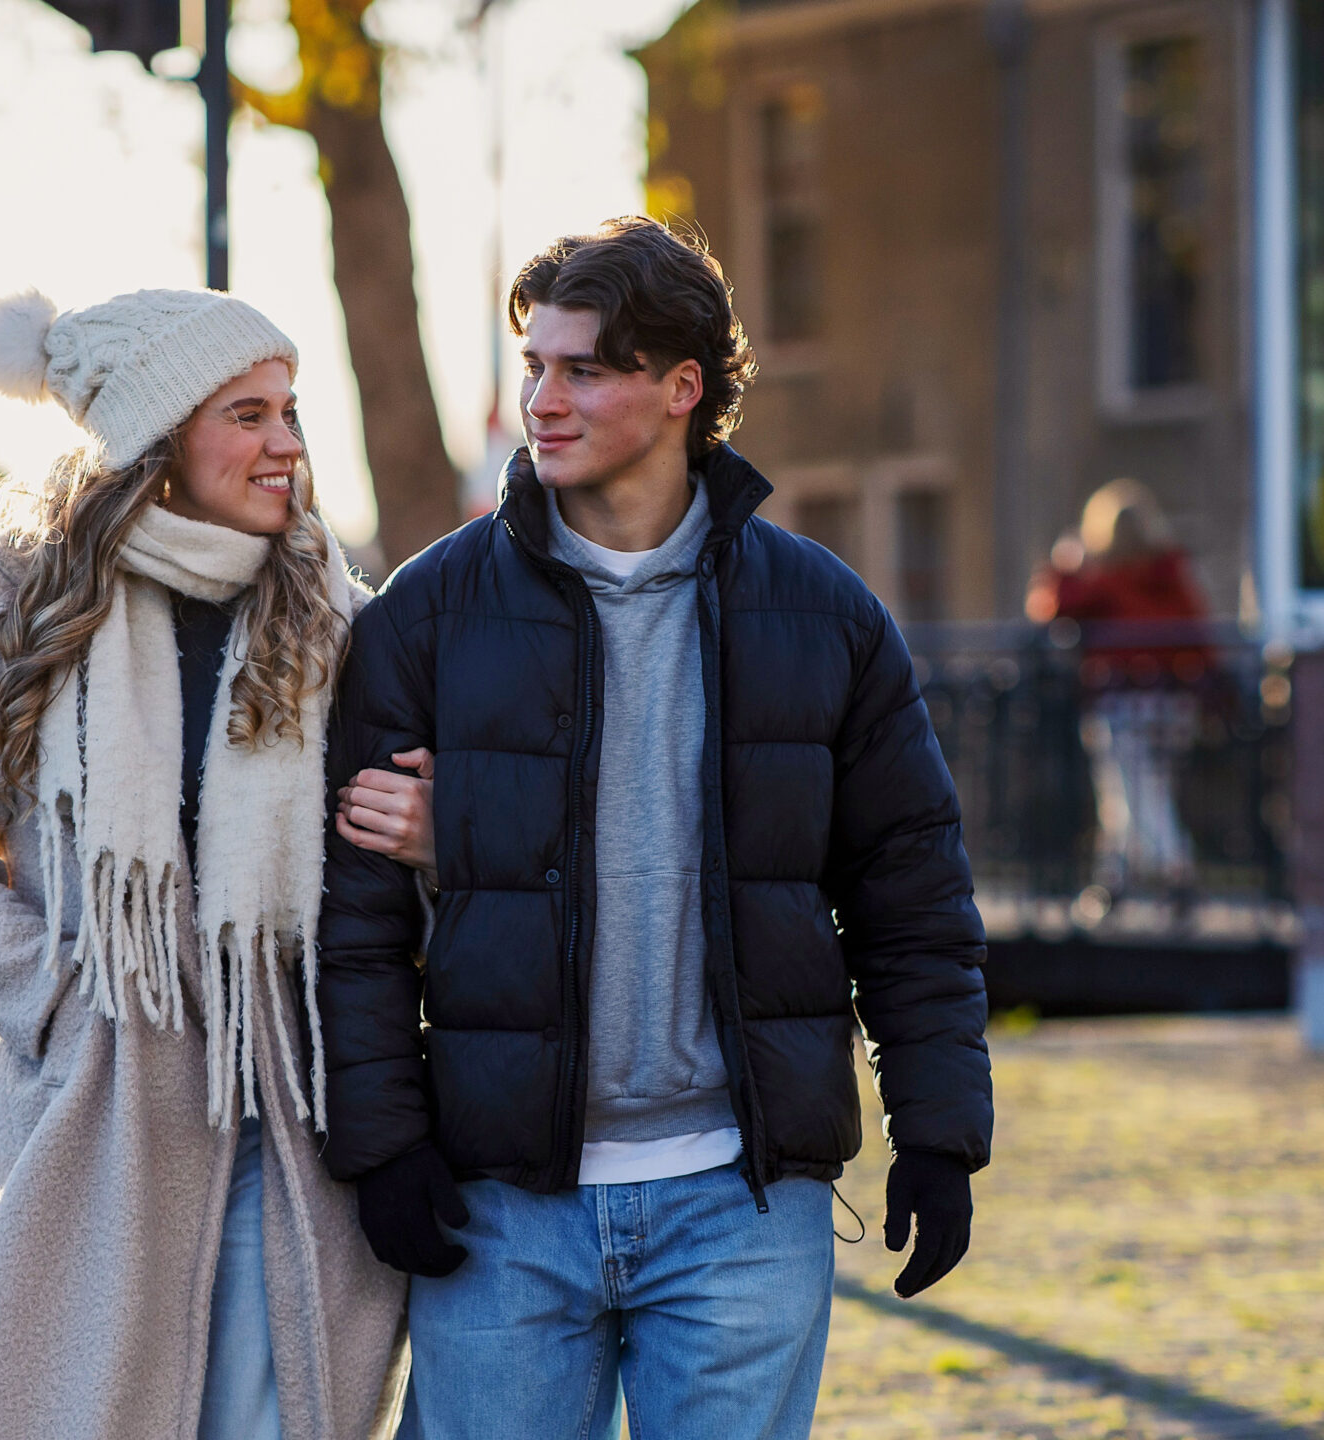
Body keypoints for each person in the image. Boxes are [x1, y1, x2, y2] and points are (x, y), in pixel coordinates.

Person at [315, 217, 994, 1439]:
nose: (543, 399)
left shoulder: (824, 615)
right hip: (498, 1210)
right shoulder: (425, 613)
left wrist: (937, 1135)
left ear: (682, 389)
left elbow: (912, 901)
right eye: (533, 366)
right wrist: (385, 1151)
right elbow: (352, 922)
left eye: (583, 369)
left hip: (741, 1206)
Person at [0, 286, 429, 1440]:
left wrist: (427, 836)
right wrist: (72, 1007)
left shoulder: (332, 608)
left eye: (290, 411)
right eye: (248, 414)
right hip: (98, 1114)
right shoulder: (7, 597)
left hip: (288, 1110)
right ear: (158, 431)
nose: (286, 444)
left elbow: (387, 850)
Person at [1026, 478, 1213, 897]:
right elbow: (1199, 635)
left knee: (1131, 789)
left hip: (1124, 699)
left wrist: (1063, 565)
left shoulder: (1104, 579)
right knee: (1138, 788)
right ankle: (1114, 884)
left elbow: (1052, 608)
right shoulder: (1171, 575)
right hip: (1174, 700)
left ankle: (1176, 867)